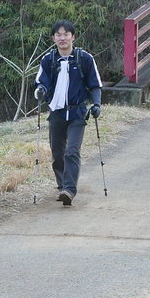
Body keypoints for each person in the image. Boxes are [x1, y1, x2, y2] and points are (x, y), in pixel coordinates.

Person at [34, 20, 102, 206]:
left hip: (77, 113)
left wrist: (96, 105)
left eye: (66, 34)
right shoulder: (48, 60)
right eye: (58, 34)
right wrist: (41, 91)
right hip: (56, 113)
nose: (62, 38)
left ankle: (69, 190)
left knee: (72, 151)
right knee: (57, 153)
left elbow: (95, 85)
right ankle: (62, 185)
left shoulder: (84, 59)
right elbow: (41, 82)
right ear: (53, 38)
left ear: (73, 36)